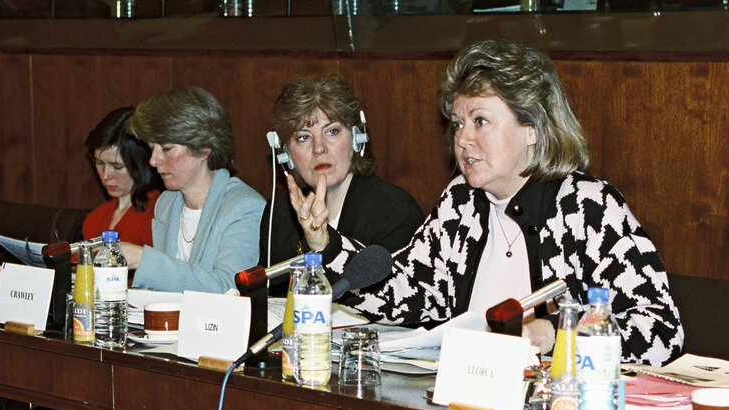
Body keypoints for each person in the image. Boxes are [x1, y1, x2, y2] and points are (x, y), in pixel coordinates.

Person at [292, 40, 684, 366]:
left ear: (531, 128)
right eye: (458, 124)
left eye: (480, 121)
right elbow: (406, 291)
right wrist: (324, 242)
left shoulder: (588, 208)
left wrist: (556, 333)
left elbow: (661, 330)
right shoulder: (462, 203)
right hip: (467, 401)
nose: (462, 140)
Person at [260, 74, 424, 295]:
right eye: (303, 137)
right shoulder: (279, 211)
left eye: (332, 131)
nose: (319, 148)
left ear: (357, 138)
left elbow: (394, 303)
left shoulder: (396, 212)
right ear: (285, 154)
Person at [122, 86, 266, 293]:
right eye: (151, 148)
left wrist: (142, 259)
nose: (153, 161)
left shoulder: (244, 208)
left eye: (166, 148)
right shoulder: (167, 203)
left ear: (204, 147)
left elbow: (229, 289)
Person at [83, 107, 161, 246]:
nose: (106, 175)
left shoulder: (159, 215)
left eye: (117, 166)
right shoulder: (95, 218)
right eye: (99, 163)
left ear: (141, 163)